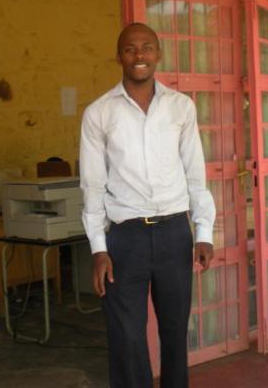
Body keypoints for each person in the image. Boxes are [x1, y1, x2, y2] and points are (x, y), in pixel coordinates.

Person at [79, 23, 216, 388]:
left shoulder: (181, 107)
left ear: (158, 54)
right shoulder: (98, 113)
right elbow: (92, 186)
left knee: (175, 331)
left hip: (174, 233)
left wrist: (204, 232)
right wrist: (98, 248)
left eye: (147, 47)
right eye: (130, 49)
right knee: (126, 337)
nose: (139, 55)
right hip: (126, 239)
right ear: (118, 56)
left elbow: (195, 175)